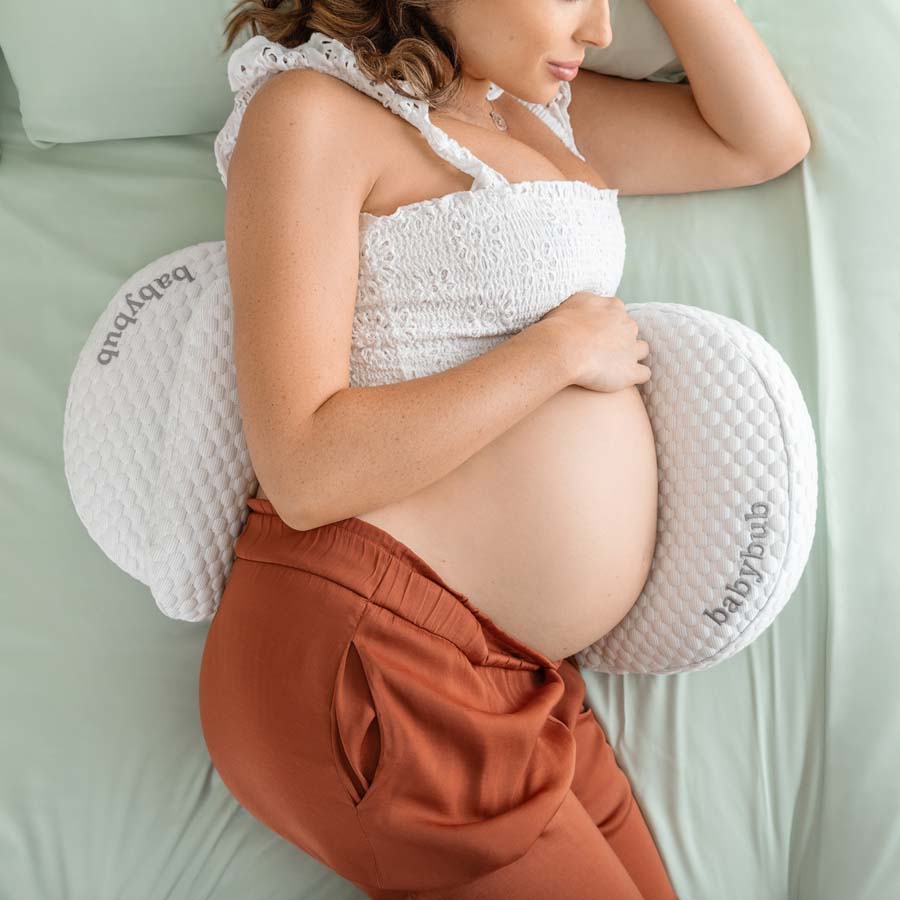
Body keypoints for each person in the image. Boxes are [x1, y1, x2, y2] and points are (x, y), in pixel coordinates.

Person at [199, 0, 807, 895]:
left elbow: (760, 143)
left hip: (518, 676)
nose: (600, 31)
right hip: (374, 651)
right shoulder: (310, 113)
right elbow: (303, 468)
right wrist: (555, 354)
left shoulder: (536, 111)